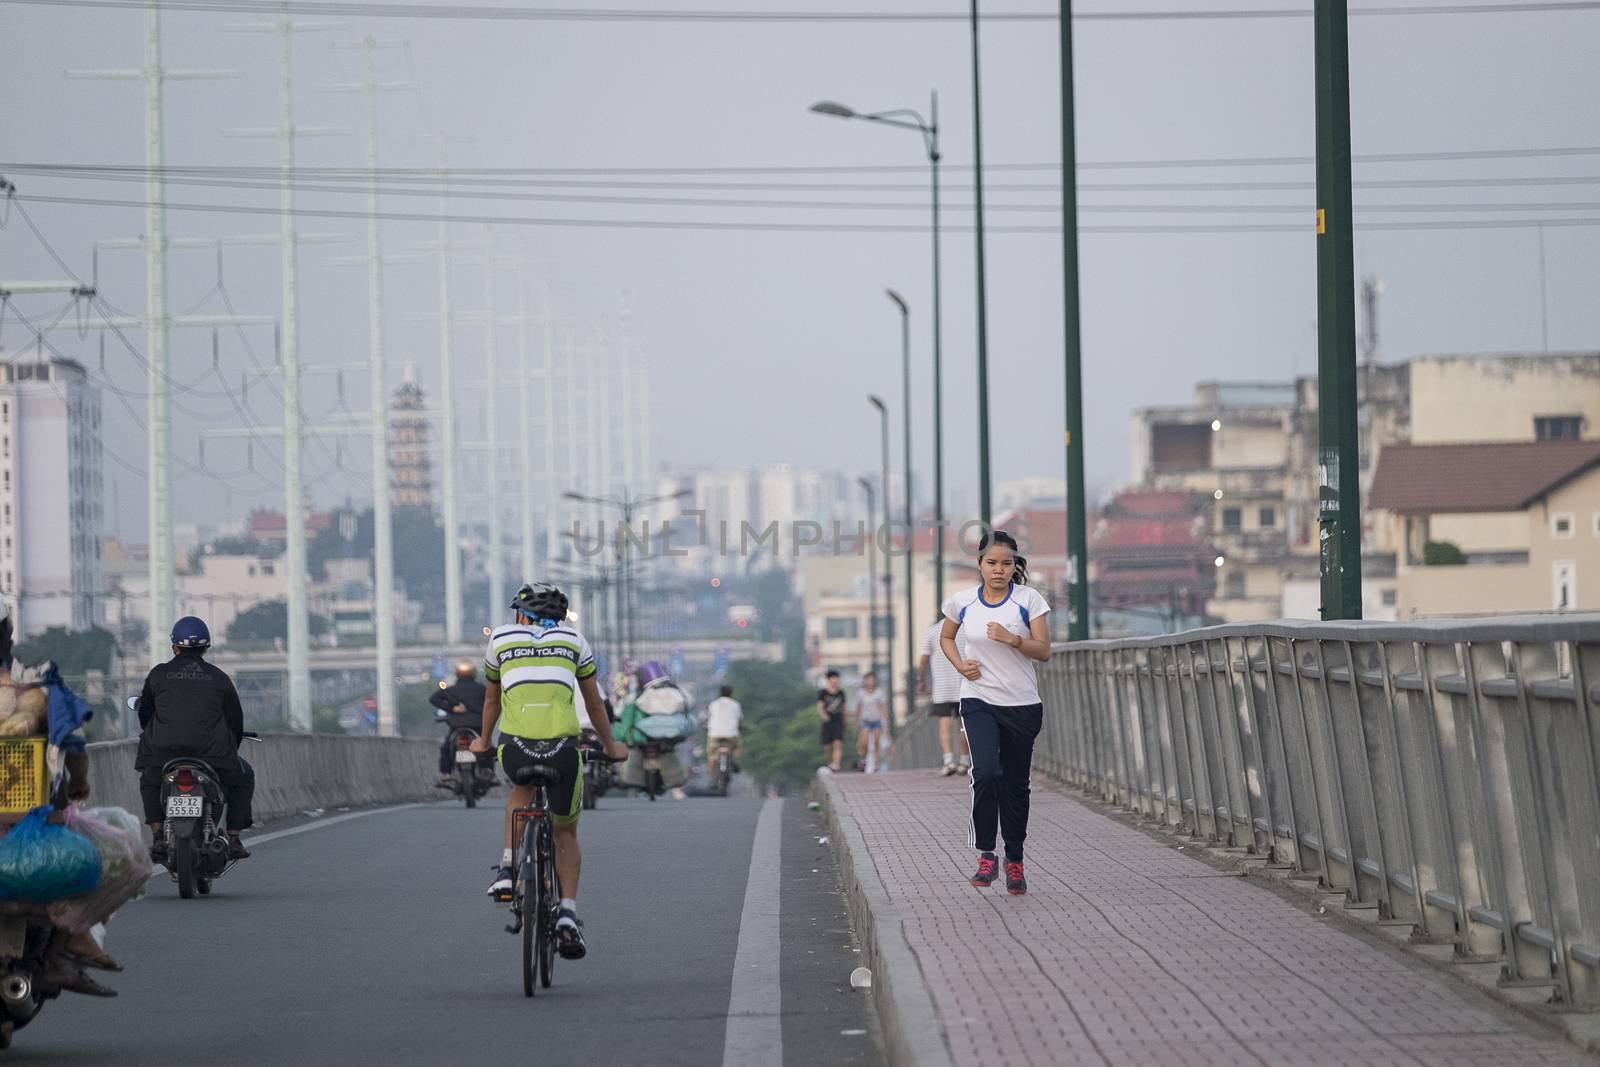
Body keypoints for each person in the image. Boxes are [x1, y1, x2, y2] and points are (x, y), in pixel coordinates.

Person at [471, 582, 627, 961]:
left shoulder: (501, 639)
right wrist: (611, 746)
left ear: (520, 615)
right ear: (560, 617)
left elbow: (492, 697)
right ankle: (568, 916)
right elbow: (593, 702)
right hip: (562, 750)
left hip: (516, 746)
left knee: (520, 792)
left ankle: (507, 869)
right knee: (565, 831)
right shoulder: (574, 641)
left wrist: (482, 741)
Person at [939, 532, 1051, 896]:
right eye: (992, 563)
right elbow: (946, 638)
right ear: (979, 564)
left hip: (1021, 705)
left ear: (1015, 565)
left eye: (1006, 563)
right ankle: (987, 855)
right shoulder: (962, 601)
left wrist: (1013, 639)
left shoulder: (1028, 600)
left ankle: (1014, 860)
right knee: (985, 772)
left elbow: (1044, 651)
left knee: (1016, 785)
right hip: (979, 700)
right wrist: (961, 666)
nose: (999, 570)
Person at [135, 617, 255, 863]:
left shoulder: (158, 675)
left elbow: (145, 713)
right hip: (213, 755)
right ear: (205, 648)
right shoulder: (219, 677)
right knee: (244, 777)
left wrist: (152, 736)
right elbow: (235, 720)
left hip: (162, 753)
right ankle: (233, 839)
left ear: (174, 647)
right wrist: (230, 750)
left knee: (150, 781)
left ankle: (158, 837)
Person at [919, 616, 971, 777]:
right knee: (964, 725)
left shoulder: (932, 631)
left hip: (942, 688)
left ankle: (948, 760)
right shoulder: (967, 629)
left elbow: (923, 659)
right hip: (965, 685)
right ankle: (964, 761)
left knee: (945, 724)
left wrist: (920, 679)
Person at [431, 659, 488, 784]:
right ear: (473, 673)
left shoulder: (450, 690)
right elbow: (492, 703)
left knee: (446, 747)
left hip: (456, 726)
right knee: (486, 746)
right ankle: (487, 771)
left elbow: (434, 699)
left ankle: (447, 773)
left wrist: (451, 708)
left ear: (457, 674)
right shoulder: (481, 689)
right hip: (477, 725)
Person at [852, 672, 888, 773]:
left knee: (876, 743)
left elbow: (883, 707)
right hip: (865, 720)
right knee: (864, 743)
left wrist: (885, 720)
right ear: (864, 681)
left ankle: (876, 765)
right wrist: (856, 720)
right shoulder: (860, 693)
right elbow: (858, 707)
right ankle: (864, 760)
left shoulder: (879, 692)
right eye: (868, 679)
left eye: (872, 679)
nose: (870, 681)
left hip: (877, 720)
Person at [703, 684, 742, 779]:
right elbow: (739, 719)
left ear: (720, 693)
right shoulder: (736, 704)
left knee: (712, 757)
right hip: (731, 734)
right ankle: (733, 760)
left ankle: (712, 779)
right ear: (731, 694)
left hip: (715, 734)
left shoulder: (713, 704)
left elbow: (707, 718)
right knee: (737, 746)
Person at [816, 670, 846, 774]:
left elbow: (844, 708)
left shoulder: (841, 693)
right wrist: (823, 715)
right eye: (833, 678)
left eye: (837, 678)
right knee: (827, 746)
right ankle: (830, 764)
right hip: (828, 722)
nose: (835, 680)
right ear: (828, 680)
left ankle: (836, 765)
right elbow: (819, 706)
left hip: (838, 721)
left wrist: (846, 720)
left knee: (838, 743)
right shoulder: (823, 693)